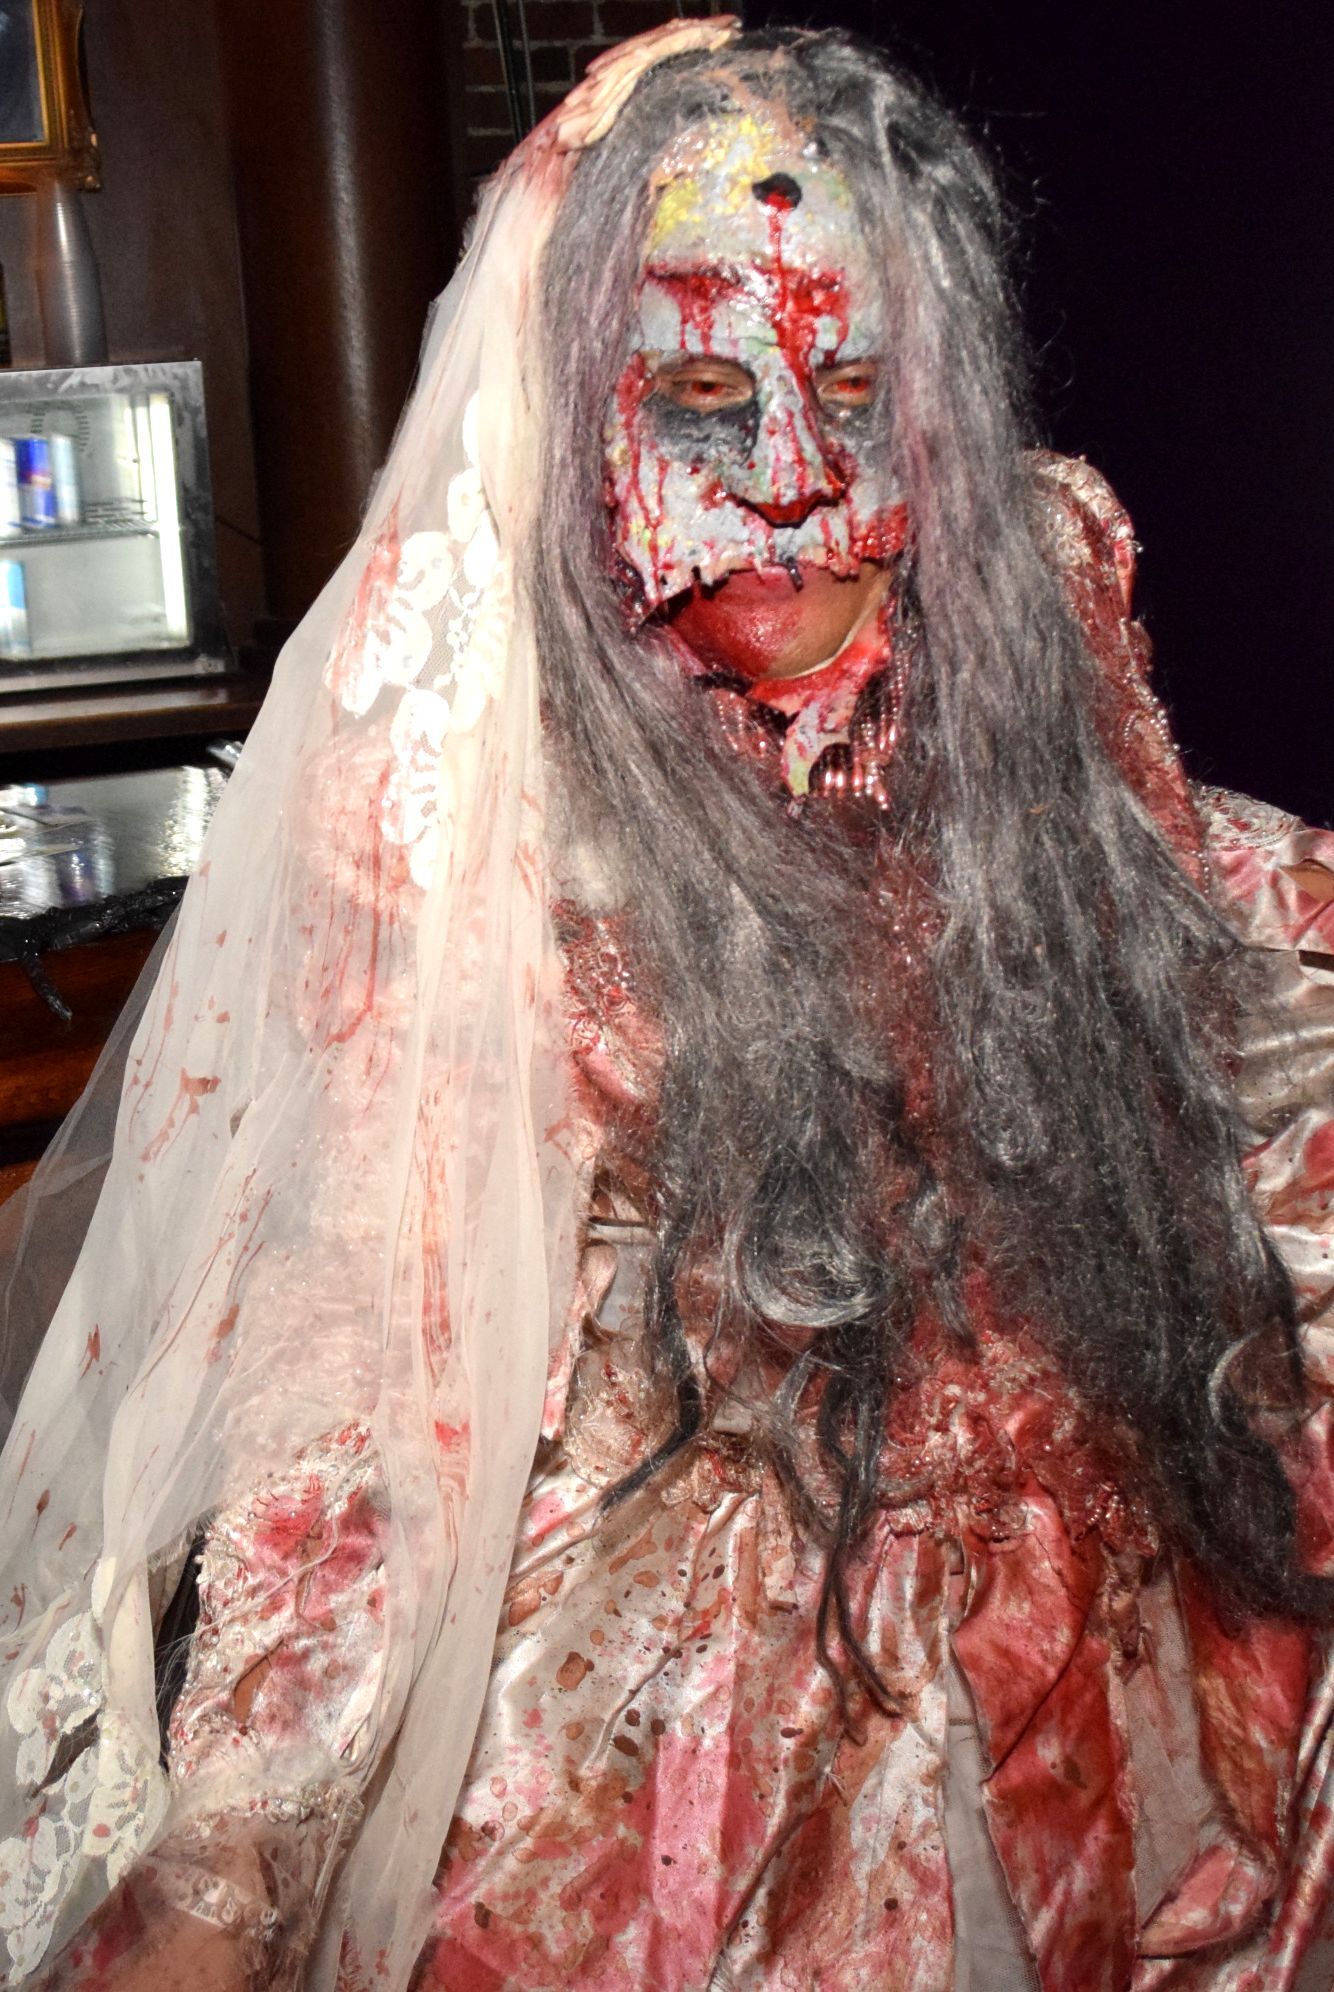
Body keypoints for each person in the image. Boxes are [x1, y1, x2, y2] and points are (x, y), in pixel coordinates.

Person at [1, 22, 1332, 1990]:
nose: (789, 481)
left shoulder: (1025, 604)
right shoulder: (472, 787)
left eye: (856, 395)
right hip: (693, 1715)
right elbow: (363, 1366)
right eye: (704, 398)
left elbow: (1203, 966)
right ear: (578, 413)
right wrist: (235, 1858)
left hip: (1108, 1647)